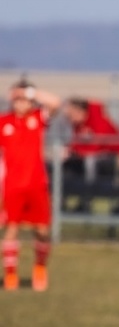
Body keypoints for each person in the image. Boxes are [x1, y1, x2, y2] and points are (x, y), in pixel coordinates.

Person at [2, 81, 62, 291]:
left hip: (36, 184)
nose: (20, 103)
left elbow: (55, 103)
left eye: (24, 99)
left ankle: (40, 268)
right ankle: (11, 276)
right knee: (11, 229)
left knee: (42, 231)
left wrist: (32, 92)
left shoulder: (37, 118)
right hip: (12, 185)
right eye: (17, 99)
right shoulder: (4, 122)